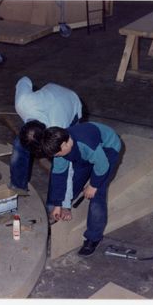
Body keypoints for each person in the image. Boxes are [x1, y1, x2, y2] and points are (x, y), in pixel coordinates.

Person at [41, 122, 121, 257]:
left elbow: (102, 165)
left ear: (66, 144)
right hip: (84, 153)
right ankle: (67, 206)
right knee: (75, 180)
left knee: (97, 195)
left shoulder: (87, 143)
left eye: (57, 154)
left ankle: (93, 238)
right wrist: (59, 204)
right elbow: (59, 176)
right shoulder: (60, 146)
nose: (56, 157)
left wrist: (93, 185)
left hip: (108, 149)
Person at [10, 76, 83, 220]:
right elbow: (24, 79)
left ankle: (53, 204)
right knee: (19, 146)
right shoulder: (22, 103)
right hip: (51, 92)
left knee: (62, 162)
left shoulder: (59, 129)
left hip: (71, 103)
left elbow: (65, 169)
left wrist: (62, 204)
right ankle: (17, 187)